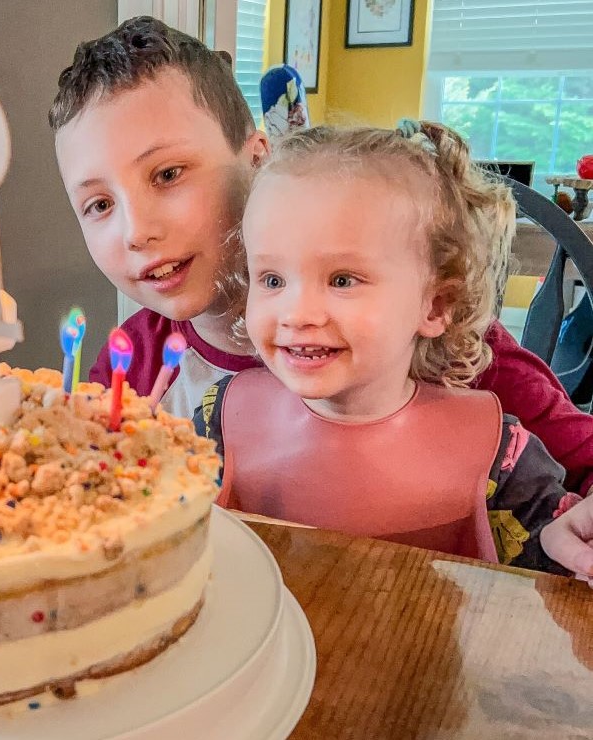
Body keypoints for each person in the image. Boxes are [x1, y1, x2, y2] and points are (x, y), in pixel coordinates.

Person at [49, 15, 593, 500]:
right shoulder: (133, 367)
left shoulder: (439, 345)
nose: (137, 230)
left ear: (257, 157)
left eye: (168, 175)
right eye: (98, 204)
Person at [192, 121, 593, 574]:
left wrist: (563, 545)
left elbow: (544, 565)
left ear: (436, 305)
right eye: (272, 279)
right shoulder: (219, 416)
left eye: (342, 280)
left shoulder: (499, 455)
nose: (296, 312)